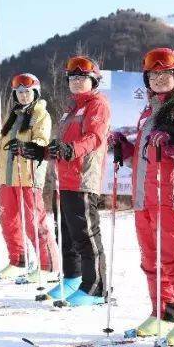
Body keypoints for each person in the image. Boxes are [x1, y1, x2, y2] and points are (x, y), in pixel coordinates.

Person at [110, 47, 174, 346]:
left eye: (166, 74)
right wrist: (124, 149)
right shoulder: (149, 110)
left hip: (172, 196)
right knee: (150, 260)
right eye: (154, 74)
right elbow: (143, 158)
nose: (159, 79)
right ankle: (163, 312)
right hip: (144, 199)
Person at [46, 56, 111, 306]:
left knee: (85, 234)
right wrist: (44, 150)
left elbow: (95, 137)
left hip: (83, 177)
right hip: (63, 180)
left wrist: (71, 150)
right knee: (65, 233)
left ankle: (96, 287)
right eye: (72, 78)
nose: (76, 82)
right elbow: (62, 145)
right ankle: (73, 277)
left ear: (93, 80)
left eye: (82, 78)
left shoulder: (98, 104)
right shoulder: (70, 108)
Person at [0, 73, 58, 279]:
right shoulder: (13, 115)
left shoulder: (41, 114)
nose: (23, 96)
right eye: (19, 92)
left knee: (33, 221)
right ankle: (18, 261)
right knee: (8, 221)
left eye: (27, 92)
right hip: (7, 177)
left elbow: (41, 140)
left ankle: (48, 266)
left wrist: (26, 147)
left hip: (28, 175)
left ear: (35, 93)